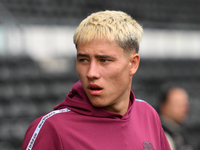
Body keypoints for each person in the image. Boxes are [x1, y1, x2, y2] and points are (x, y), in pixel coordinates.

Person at [22, 10, 171, 150]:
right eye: (84, 60)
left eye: (104, 60)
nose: (91, 73)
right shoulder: (51, 129)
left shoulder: (148, 114)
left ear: (133, 64)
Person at [158, 86, 193, 150]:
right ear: (164, 107)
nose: (184, 109)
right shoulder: (161, 134)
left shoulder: (178, 131)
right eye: (178, 104)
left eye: (185, 105)